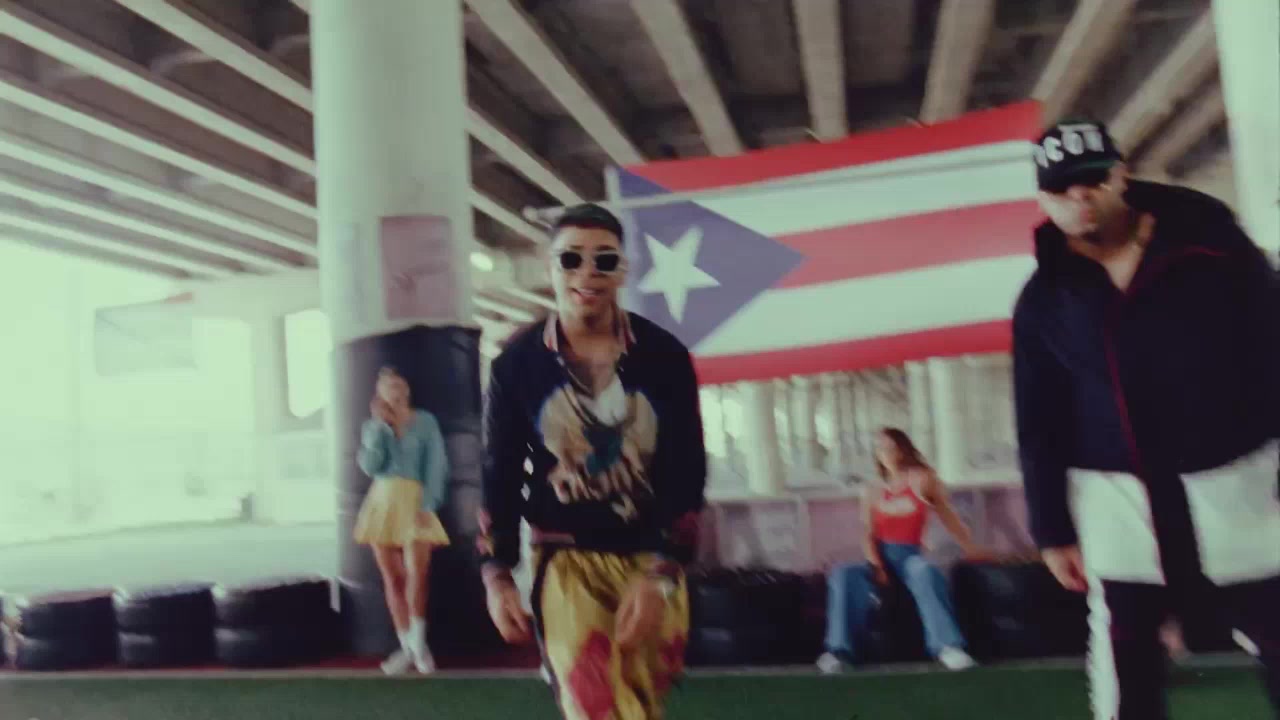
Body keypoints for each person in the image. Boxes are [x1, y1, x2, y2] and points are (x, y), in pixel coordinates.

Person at [1014, 118, 1280, 719]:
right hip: (1120, 505)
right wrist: (1051, 530)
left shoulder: (1216, 248)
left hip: (1240, 487)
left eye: (1091, 180)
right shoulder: (1043, 299)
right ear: (1044, 201)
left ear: (1120, 175)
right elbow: (1038, 418)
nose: (1079, 197)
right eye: (1061, 188)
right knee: (1128, 675)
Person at [477, 203, 707, 720]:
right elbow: (500, 471)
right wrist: (497, 572)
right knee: (594, 705)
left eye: (604, 260)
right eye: (571, 259)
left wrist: (661, 573)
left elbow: (686, 469)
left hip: (649, 555)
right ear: (550, 267)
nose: (587, 273)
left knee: (641, 704)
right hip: (566, 562)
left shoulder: (665, 357)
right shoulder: (515, 365)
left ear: (622, 270)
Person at [817, 428, 986, 674]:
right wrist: (877, 566)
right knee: (842, 574)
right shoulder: (872, 490)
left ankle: (948, 648)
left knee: (925, 570)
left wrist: (971, 548)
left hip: (909, 557)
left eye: (890, 447)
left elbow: (949, 517)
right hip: (878, 557)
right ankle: (838, 652)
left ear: (903, 449)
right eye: (880, 448)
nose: (885, 452)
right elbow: (867, 533)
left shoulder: (923, 479)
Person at [353, 366, 451, 675]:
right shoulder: (372, 427)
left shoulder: (425, 421)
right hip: (381, 502)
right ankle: (407, 649)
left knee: (417, 575)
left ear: (406, 389)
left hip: (415, 502)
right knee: (392, 579)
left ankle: (419, 646)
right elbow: (371, 466)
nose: (394, 390)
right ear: (379, 394)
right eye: (387, 386)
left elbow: (437, 464)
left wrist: (428, 504)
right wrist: (381, 429)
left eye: (398, 384)